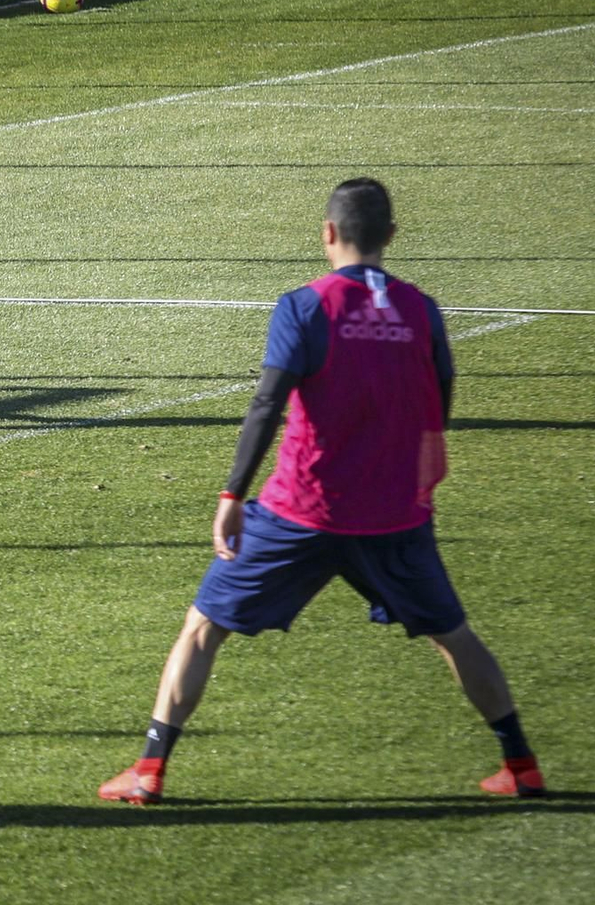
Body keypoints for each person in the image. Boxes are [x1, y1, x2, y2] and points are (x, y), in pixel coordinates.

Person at [97, 178, 544, 805]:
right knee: (454, 633)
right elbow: (440, 403)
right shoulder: (422, 309)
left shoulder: (306, 307)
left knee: (202, 628)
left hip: (299, 511)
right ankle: (520, 763)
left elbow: (266, 404)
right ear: (391, 236)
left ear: (327, 233)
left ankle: (148, 769)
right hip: (393, 516)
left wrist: (231, 497)